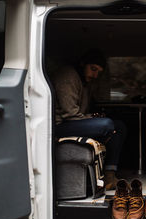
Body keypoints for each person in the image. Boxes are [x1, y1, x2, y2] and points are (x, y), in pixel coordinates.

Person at [53, 49, 126, 190]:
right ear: (82, 64)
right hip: (60, 125)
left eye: (98, 72)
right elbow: (70, 113)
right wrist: (92, 118)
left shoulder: (86, 81)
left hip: (74, 121)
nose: (95, 75)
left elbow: (82, 112)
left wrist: (92, 117)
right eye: (93, 69)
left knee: (119, 126)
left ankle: (110, 174)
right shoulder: (68, 76)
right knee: (107, 125)